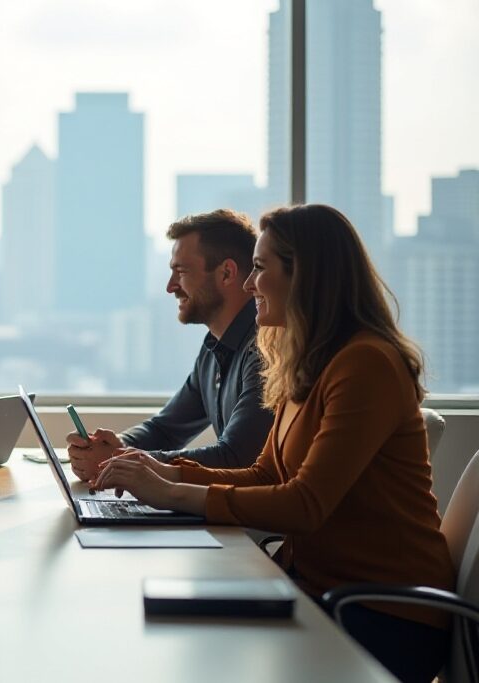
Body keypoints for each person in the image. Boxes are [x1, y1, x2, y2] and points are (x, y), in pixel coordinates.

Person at [93, 204, 455, 683]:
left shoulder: (366, 364)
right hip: (319, 589)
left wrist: (173, 492)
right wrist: (162, 471)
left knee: (195, 651)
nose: (249, 284)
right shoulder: (306, 363)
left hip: (385, 616)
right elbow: (265, 474)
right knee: (165, 626)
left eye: (260, 268)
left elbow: (305, 505)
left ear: (305, 276)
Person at [67, 210, 273, 484]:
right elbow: (165, 429)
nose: (170, 286)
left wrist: (120, 460)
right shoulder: (214, 349)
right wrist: (112, 446)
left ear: (226, 273)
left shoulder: (265, 351)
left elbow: (236, 458)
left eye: (181, 271)